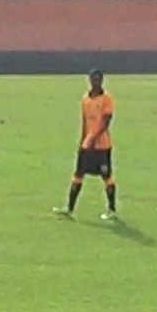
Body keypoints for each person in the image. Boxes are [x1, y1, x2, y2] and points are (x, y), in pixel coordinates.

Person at [58, 70, 117, 220]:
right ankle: (69, 208)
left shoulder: (107, 99)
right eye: (93, 79)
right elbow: (85, 122)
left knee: (107, 176)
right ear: (89, 80)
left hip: (102, 146)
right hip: (87, 146)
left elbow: (106, 122)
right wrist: (83, 141)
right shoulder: (86, 99)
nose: (96, 82)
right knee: (78, 175)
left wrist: (93, 139)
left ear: (102, 80)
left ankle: (112, 209)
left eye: (98, 79)